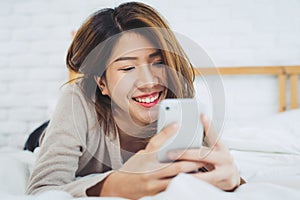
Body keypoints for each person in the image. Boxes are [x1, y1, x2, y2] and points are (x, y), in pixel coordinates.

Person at [26, 2, 244, 199]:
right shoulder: (77, 99)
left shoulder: (176, 93)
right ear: (102, 83)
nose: (149, 82)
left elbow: (212, 170)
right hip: (50, 134)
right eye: (128, 68)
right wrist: (115, 185)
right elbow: (42, 189)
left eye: (158, 63)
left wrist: (234, 180)